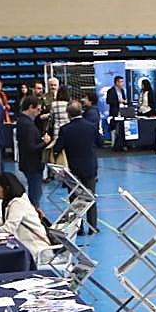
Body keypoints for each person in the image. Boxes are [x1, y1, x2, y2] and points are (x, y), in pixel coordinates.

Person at [53, 101, 101, 235]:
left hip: (73, 169)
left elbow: (57, 148)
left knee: (74, 199)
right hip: (90, 168)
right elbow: (101, 142)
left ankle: (78, 228)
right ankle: (93, 227)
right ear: (81, 112)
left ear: (68, 114)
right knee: (90, 198)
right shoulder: (91, 126)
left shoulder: (65, 129)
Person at [0, 173, 50, 260]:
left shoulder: (18, 203)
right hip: (27, 247)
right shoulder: (17, 199)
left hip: (36, 251)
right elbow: (6, 219)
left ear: (7, 188)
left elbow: (8, 229)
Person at [15, 95, 49, 207]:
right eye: (37, 109)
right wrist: (45, 143)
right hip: (32, 164)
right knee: (35, 195)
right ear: (30, 107)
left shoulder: (23, 121)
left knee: (36, 193)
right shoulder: (27, 124)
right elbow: (31, 148)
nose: (39, 112)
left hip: (28, 163)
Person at [106, 75, 130, 151]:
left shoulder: (122, 90)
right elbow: (108, 101)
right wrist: (118, 101)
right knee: (114, 128)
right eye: (121, 81)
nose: (122, 83)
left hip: (122, 111)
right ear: (116, 82)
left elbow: (124, 99)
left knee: (123, 127)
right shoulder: (111, 91)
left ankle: (123, 144)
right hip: (114, 112)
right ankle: (114, 145)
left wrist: (125, 101)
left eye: (123, 81)